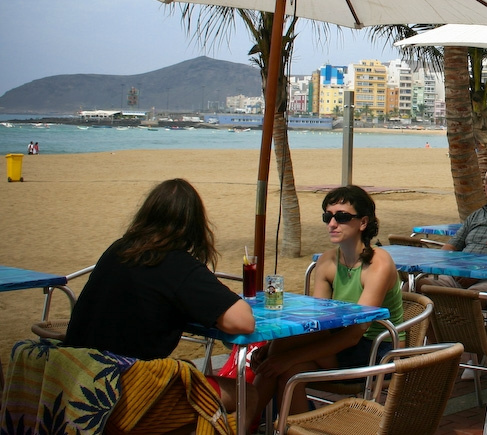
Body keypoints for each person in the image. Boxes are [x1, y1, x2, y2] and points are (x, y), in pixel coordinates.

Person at [64, 178, 256, 419]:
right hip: (127, 393)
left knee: (187, 375)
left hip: (76, 381)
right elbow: (242, 322)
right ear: (194, 225)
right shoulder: (177, 265)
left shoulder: (118, 250)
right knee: (247, 394)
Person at [252, 185, 403, 417]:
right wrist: (276, 353)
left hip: (376, 349)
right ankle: (286, 428)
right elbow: (317, 321)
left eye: (342, 217)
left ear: (363, 222)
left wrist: (285, 356)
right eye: (328, 217)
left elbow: (355, 334)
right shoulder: (326, 261)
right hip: (341, 343)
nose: (332, 224)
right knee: (286, 372)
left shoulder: (378, 264)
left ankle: (241, 423)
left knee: (281, 360)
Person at [433, 162, 487, 289]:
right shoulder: (476, 215)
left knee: (473, 295)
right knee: (415, 284)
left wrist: (477, 273)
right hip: (458, 273)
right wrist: (439, 266)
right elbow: (451, 246)